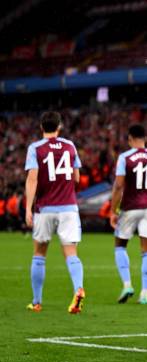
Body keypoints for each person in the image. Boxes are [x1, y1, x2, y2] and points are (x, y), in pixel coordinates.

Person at [24, 111, 85, 313]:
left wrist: (28, 208)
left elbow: (32, 178)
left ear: (42, 127)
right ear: (59, 127)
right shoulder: (70, 146)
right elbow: (76, 178)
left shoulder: (35, 148)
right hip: (68, 207)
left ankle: (36, 301)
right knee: (71, 252)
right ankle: (78, 289)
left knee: (39, 253)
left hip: (45, 208)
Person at [110, 124, 147, 305]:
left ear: (130, 139)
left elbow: (119, 186)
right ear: (145, 139)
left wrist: (113, 210)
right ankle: (145, 293)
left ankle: (127, 284)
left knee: (120, 245)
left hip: (129, 207)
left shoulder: (124, 158)